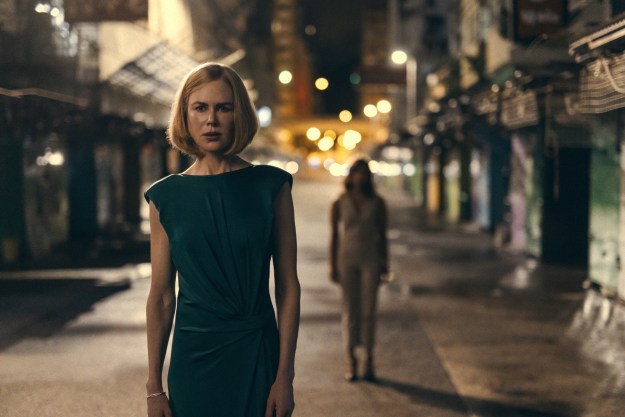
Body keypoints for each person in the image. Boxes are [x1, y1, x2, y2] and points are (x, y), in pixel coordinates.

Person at [144, 63, 300, 417]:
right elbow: (162, 296)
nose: (211, 119)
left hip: (257, 354)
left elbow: (288, 286)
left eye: (223, 108)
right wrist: (154, 388)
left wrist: (285, 377)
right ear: (185, 116)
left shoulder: (271, 186)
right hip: (192, 359)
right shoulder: (165, 197)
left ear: (238, 114)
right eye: (200, 107)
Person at [329, 159, 388, 382]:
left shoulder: (378, 202)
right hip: (346, 259)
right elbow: (334, 234)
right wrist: (331, 264)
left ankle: (369, 359)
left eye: (365, 173)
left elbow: (382, 235)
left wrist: (385, 263)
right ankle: (350, 358)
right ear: (351, 176)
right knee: (349, 311)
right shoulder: (339, 202)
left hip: (370, 259)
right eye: (357, 173)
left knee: (368, 311)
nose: (361, 177)